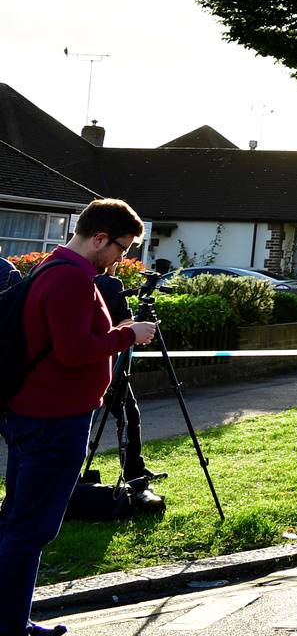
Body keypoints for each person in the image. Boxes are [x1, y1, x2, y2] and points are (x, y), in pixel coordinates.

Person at [1, 199, 158, 636]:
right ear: (99, 238)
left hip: (37, 414)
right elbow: (72, 352)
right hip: (53, 420)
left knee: (19, 523)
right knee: (29, 529)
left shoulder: (54, 268)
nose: (121, 260)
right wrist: (128, 334)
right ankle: (10, 625)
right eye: (121, 248)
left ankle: (11, 619)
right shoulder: (72, 279)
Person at [90, 267, 164, 512]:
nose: (120, 258)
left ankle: (66, 480)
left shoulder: (66, 275)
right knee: (127, 416)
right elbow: (124, 324)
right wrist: (137, 329)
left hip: (94, 364)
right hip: (106, 363)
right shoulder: (110, 284)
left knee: (122, 415)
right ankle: (135, 475)